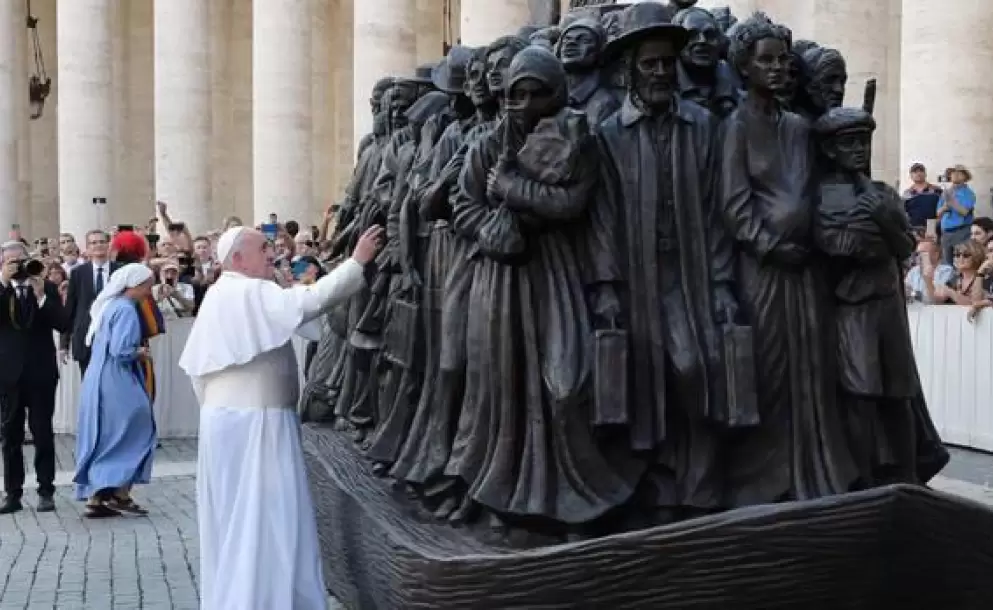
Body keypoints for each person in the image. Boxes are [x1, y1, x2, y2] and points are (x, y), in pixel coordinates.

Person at [179, 223, 383, 610]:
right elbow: (308, 305)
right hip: (257, 421)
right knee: (264, 517)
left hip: (231, 419)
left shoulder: (227, 294)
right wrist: (357, 262)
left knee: (243, 516)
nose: (272, 254)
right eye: (263, 249)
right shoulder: (246, 290)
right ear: (237, 258)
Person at [73, 264, 157, 518]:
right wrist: (140, 352)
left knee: (105, 435)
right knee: (138, 430)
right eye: (147, 284)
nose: (149, 289)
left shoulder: (109, 306)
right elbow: (121, 351)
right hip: (117, 379)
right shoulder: (126, 310)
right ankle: (120, 493)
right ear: (136, 284)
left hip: (97, 378)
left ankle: (97, 497)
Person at [0, 240, 69, 514]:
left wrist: (41, 295)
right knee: (10, 436)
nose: (18, 266)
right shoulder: (2, 289)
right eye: (11, 261)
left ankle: (45, 491)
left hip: (40, 374)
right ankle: (12, 493)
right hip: (8, 375)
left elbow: (63, 322)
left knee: (43, 433)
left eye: (21, 260)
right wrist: (4, 283)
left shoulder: (45, 287)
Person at [62, 230, 120, 374]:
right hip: (85, 337)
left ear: (108, 245)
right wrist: (63, 343)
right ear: (87, 248)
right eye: (93, 243)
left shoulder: (120, 271)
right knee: (89, 385)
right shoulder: (78, 273)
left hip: (115, 336)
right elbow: (70, 308)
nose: (98, 245)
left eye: (102, 242)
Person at [938, 164, 977, 265]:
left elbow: (964, 212)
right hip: (946, 233)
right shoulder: (946, 192)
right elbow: (937, 213)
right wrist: (944, 208)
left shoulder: (968, 193)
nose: (955, 175)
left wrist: (951, 202)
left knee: (961, 261)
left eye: (959, 173)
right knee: (946, 264)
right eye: (953, 173)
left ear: (965, 176)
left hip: (961, 232)